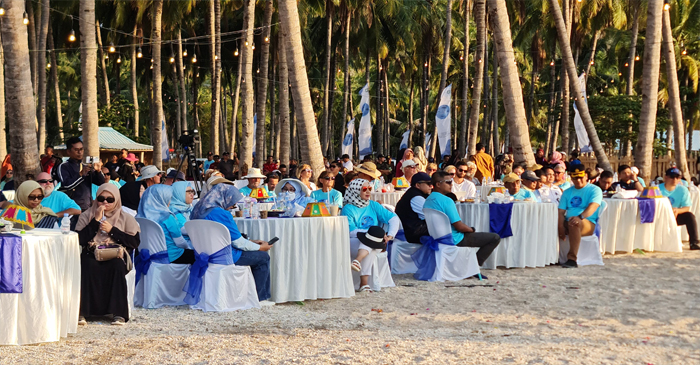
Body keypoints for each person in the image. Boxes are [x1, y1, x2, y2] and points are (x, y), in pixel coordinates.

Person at [190, 184, 275, 305]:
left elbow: (222, 236)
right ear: (225, 198)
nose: (232, 207)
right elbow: (238, 243)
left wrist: (250, 241)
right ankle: (260, 298)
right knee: (263, 258)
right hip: (225, 255)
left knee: (254, 251)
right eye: (232, 203)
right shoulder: (221, 213)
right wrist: (261, 248)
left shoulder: (197, 210)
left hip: (203, 254)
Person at [76, 184, 141, 325]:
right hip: (92, 253)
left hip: (116, 254)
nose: (105, 202)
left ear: (116, 200)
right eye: (101, 198)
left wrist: (112, 231)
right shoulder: (87, 215)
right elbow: (79, 239)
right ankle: (83, 312)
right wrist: (95, 222)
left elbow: (134, 242)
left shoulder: (126, 217)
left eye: (110, 199)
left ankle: (118, 313)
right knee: (86, 264)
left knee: (116, 266)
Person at [424, 171, 500, 268]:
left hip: (436, 238)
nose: (451, 184)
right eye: (448, 182)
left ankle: (470, 266)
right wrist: (471, 229)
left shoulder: (428, 200)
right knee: (495, 238)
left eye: (451, 181)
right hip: (454, 239)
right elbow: (459, 226)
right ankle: (472, 266)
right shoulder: (447, 201)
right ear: (438, 184)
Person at [341, 179, 400, 292]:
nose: (368, 191)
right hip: (354, 240)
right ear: (355, 191)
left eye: (369, 189)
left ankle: (358, 262)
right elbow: (350, 231)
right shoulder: (348, 208)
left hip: (374, 241)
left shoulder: (373, 205)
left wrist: (390, 235)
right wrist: (371, 234)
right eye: (364, 189)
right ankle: (364, 283)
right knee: (371, 244)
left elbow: (393, 218)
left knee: (372, 242)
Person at [558, 164, 603, 268]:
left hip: (587, 222)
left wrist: (580, 217)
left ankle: (572, 259)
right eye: (575, 178)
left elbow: (593, 206)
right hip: (567, 221)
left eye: (580, 177)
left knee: (574, 223)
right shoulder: (567, 192)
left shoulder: (595, 190)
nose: (578, 181)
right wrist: (560, 226)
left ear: (586, 176)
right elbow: (560, 212)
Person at [138, 184, 195, 264]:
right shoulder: (168, 217)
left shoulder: (140, 216)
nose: (170, 201)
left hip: (149, 255)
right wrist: (189, 247)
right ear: (161, 198)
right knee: (200, 257)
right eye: (169, 198)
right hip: (172, 256)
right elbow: (180, 242)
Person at [56, 137, 105, 211]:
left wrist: (98, 171)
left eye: (81, 149)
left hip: (87, 206)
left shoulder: (85, 166)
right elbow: (66, 185)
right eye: (76, 150)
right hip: (71, 208)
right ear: (68, 152)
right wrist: (81, 174)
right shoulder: (63, 166)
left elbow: (100, 182)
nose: (80, 152)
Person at [659, 168, 700, 250]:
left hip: (675, 215)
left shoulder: (683, 190)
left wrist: (677, 210)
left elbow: (687, 207)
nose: (675, 179)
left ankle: (693, 242)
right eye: (672, 177)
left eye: (677, 177)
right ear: (666, 177)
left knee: (690, 216)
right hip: (660, 216)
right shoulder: (657, 189)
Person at [395, 172, 432, 243]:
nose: (431, 186)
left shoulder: (414, 193)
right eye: (428, 184)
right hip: (412, 232)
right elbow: (429, 217)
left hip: (410, 229)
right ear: (418, 185)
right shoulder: (416, 197)